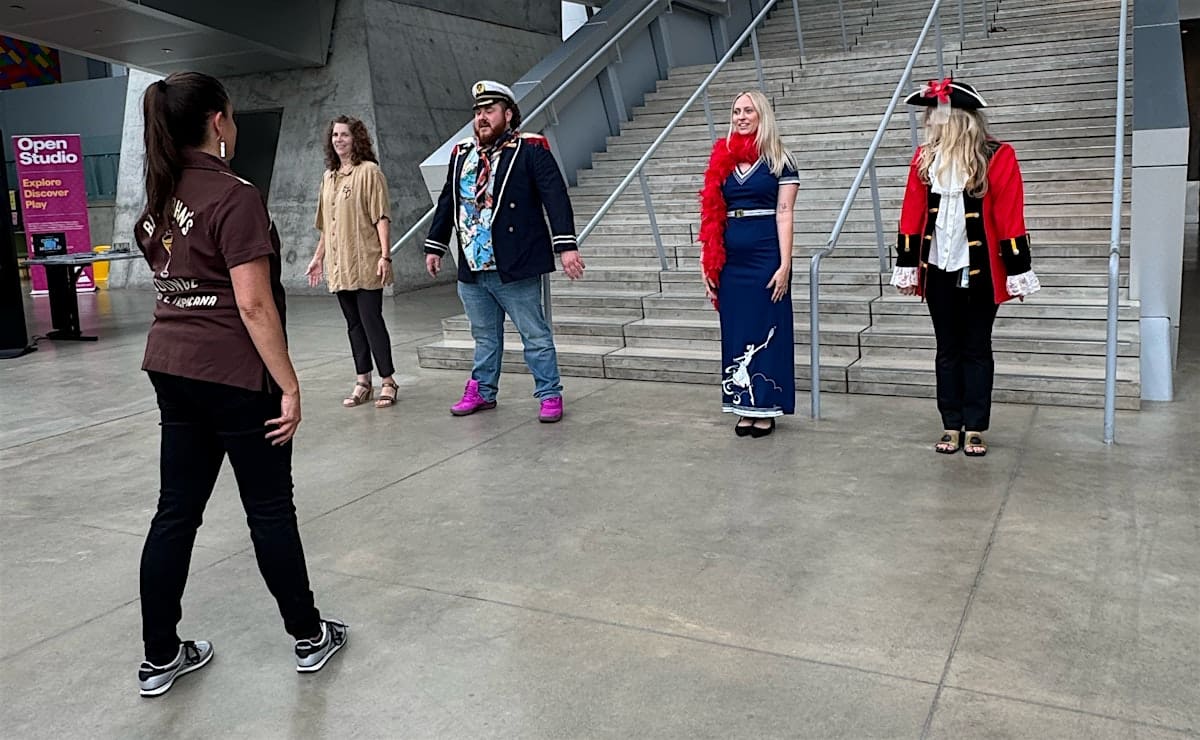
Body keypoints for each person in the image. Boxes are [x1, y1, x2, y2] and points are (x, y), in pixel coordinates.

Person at [134, 72, 346, 697]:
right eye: (230, 113)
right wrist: (290, 385)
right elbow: (253, 305)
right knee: (270, 509)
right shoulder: (235, 195)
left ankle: (159, 656)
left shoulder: (158, 193)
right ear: (217, 121)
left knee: (175, 512)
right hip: (235, 374)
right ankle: (309, 636)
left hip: (172, 368)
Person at [890, 79, 1041, 457]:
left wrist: (1018, 270)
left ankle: (974, 426)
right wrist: (908, 266)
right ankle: (950, 423)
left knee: (976, 347)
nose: (928, 120)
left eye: (933, 113)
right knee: (947, 349)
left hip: (981, 271)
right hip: (938, 267)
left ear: (955, 117)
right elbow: (911, 212)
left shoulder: (997, 156)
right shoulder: (925, 158)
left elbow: (1009, 214)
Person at [424, 80, 585, 423]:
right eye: (478, 112)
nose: (482, 118)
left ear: (508, 114)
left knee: (535, 335)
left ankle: (549, 393)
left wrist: (566, 245)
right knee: (484, 337)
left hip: (515, 263)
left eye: (489, 111)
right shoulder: (462, 154)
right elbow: (448, 201)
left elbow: (555, 197)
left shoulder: (530, 149)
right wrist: (436, 245)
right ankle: (483, 391)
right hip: (472, 265)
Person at [699, 90, 799, 438]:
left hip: (765, 254)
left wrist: (785, 264)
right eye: (736, 111)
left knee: (768, 328)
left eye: (748, 111)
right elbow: (711, 212)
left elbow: (784, 213)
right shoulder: (722, 159)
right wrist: (706, 261)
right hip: (731, 259)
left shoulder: (780, 160)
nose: (741, 117)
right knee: (737, 329)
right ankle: (742, 405)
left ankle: (766, 406)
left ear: (762, 115)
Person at [306, 116, 399, 409]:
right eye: (335, 135)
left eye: (344, 135)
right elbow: (326, 225)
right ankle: (363, 381)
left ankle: (388, 381)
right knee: (354, 325)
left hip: (366, 261)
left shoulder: (369, 172)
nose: (339, 140)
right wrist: (318, 257)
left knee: (372, 321)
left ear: (356, 138)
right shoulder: (329, 177)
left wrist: (385, 256)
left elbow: (381, 217)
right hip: (339, 265)